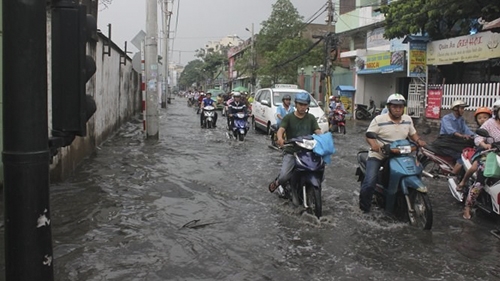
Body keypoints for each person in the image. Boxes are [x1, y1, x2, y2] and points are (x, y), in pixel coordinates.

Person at [359, 93, 426, 213]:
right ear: (389, 107)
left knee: (416, 171)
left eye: (400, 107)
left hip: (401, 154)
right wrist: (374, 145)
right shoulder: (379, 119)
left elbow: (412, 133)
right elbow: (369, 135)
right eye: (395, 106)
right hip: (380, 154)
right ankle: (364, 209)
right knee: (369, 182)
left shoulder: (407, 119)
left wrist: (418, 140)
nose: (398, 109)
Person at [268, 92, 323, 193]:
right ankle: (277, 182)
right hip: (292, 151)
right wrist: (280, 138)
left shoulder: (310, 118)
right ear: (296, 104)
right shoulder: (289, 117)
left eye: (305, 105)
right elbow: (281, 129)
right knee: (284, 176)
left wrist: (323, 139)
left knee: (319, 167)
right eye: (300, 104)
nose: (302, 107)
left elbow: (317, 130)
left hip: (308, 151)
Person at [463, 105, 500, 219]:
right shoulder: (489, 123)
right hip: (489, 154)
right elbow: (478, 138)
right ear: (496, 112)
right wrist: (485, 145)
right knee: (480, 181)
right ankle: (467, 207)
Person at [456, 107, 492, 191]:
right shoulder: (480, 130)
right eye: (479, 118)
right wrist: (485, 145)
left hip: (494, 152)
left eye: (485, 117)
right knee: (474, 167)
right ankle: (463, 182)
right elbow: (478, 140)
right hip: (482, 152)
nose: (482, 120)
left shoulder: (493, 127)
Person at [438, 99, 475, 176]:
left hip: (455, 142)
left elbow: (467, 130)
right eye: (461, 108)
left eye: (463, 109)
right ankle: (453, 175)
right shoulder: (446, 118)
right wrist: (462, 136)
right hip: (445, 142)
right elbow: (450, 131)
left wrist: (476, 136)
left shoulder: (461, 119)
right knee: (462, 156)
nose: (463, 111)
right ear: (456, 109)